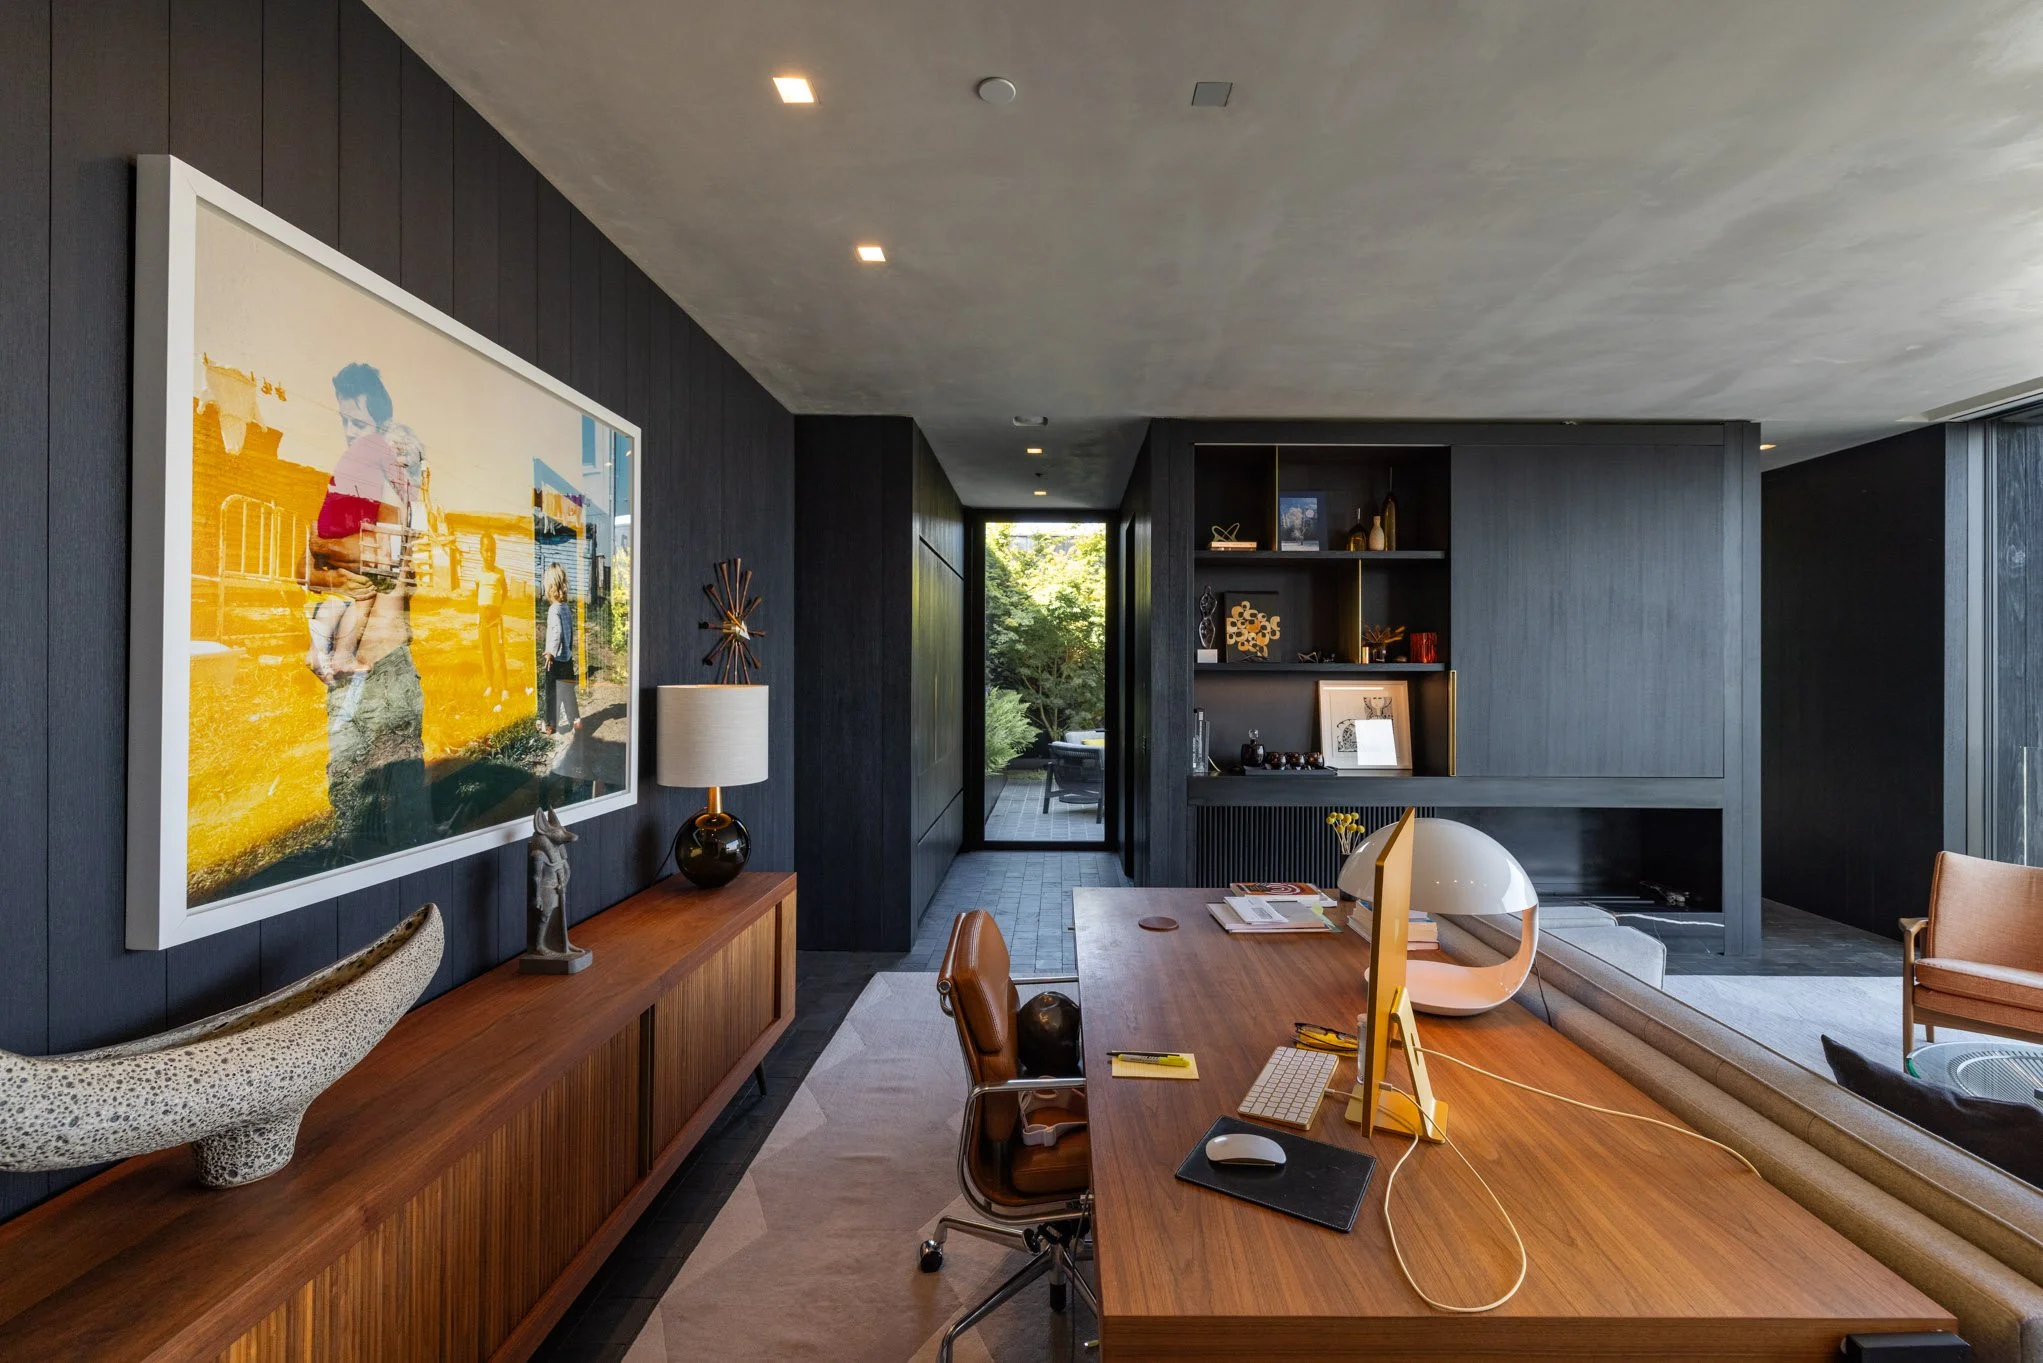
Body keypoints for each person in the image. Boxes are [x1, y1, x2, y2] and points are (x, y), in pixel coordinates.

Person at [305, 362, 429, 856]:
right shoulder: (357, 494)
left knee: (397, 811)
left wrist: (326, 551)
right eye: (347, 424)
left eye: (362, 426)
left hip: (387, 669)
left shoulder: (404, 507)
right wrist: (326, 553)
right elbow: (309, 562)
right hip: (351, 678)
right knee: (350, 801)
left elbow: (379, 554)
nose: (354, 439)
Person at [540, 562, 580, 736]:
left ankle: (550, 724)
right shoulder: (566, 609)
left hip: (555, 660)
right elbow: (569, 632)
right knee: (568, 692)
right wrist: (568, 652)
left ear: (550, 588)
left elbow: (556, 633)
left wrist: (550, 653)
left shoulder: (553, 609)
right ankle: (575, 720)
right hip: (567, 658)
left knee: (552, 693)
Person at [476, 531, 508, 710]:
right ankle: (490, 685)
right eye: (486, 551)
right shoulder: (478, 574)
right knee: (485, 654)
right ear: (481, 552)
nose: (490, 555)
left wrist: (497, 607)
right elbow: (478, 593)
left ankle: (504, 687)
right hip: (482, 620)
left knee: (499, 654)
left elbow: (505, 592)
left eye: (493, 551)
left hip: (496, 620)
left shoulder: (500, 574)